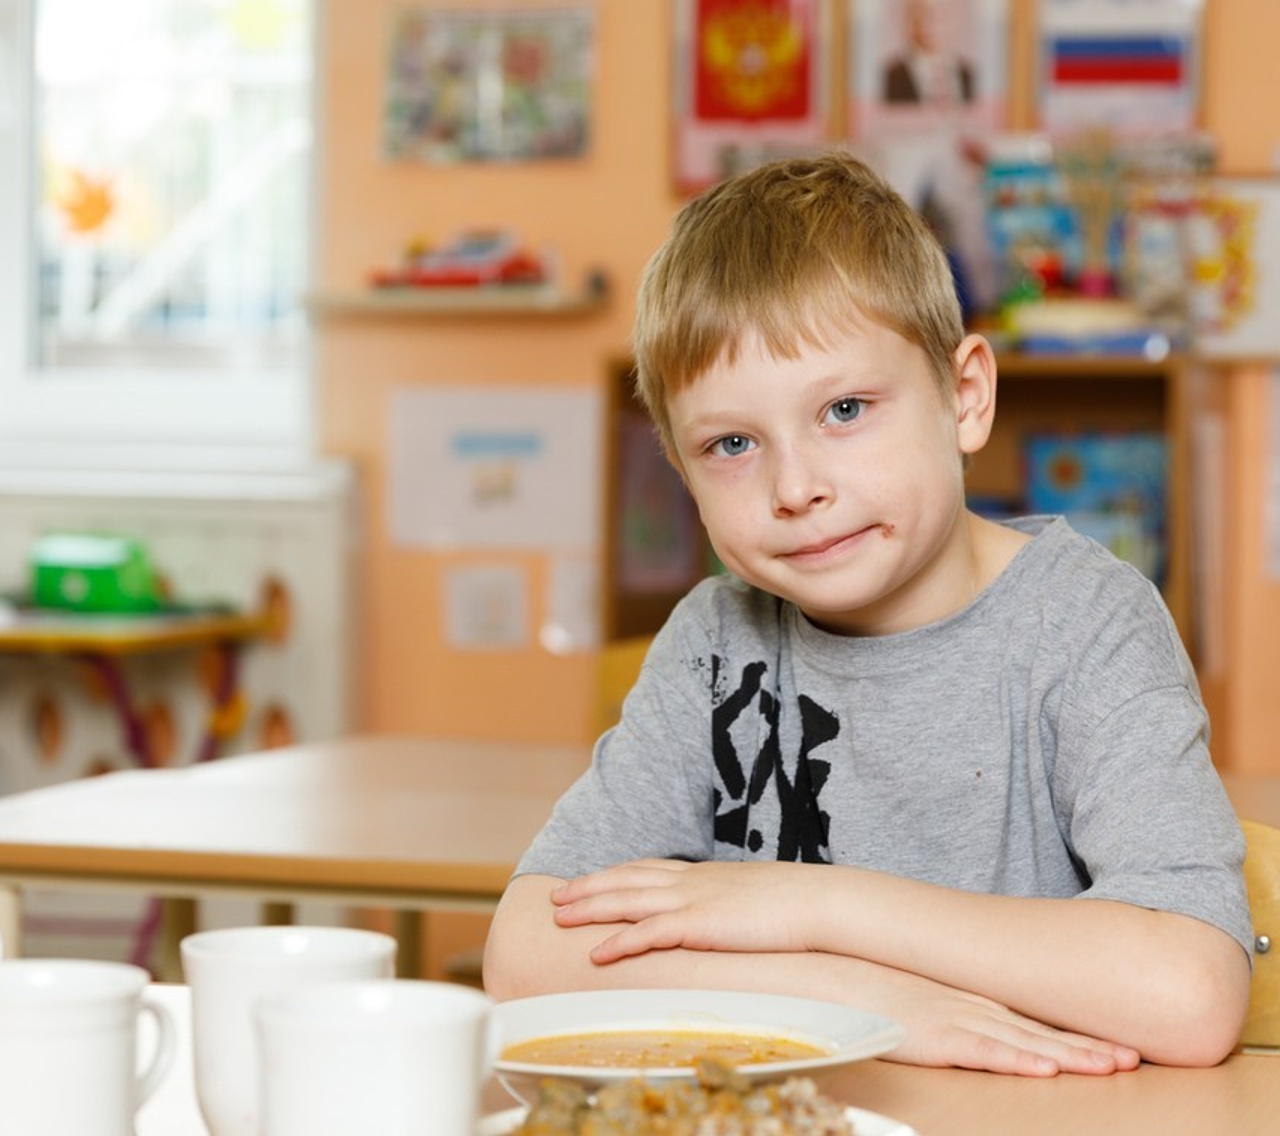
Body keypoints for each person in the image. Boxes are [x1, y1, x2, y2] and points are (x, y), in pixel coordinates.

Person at [482, 152, 1252, 1076]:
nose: (796, 487)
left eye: (845, 409)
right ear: (681, 474)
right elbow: (524, 955)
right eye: (732, 443)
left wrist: (807, 906)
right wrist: (862, 998)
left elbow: (1193, 994)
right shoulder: (714, 642)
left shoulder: (1086, 621)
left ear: (964, 397)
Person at [882, 0, 977, 106]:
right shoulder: (887, 78)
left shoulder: (972, 74)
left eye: (942, 9)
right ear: (905, 16)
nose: (931, 19)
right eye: (920, 10)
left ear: (958, 15)